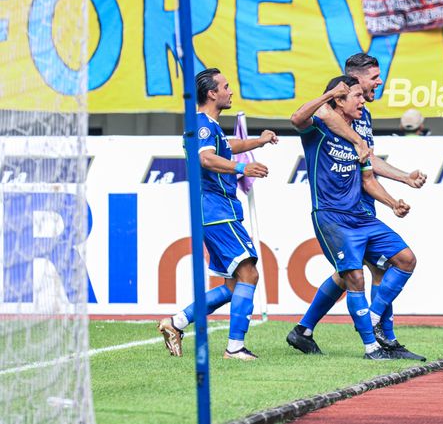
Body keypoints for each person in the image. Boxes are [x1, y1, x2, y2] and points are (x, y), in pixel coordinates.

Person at [287, 54, 427, 361]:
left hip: (361, 202)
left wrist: (403, 180)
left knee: (352, 273)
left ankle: (304, 329)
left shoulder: (363, 115)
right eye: (374, 77)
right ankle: (381, 339)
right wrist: (356, 141)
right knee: (368, 272)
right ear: (355, 79)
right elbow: (313, 117)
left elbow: (367, 161)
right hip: (340, 209)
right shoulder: (328, 110)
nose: (379, 82)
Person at [158, 68, 277, 361]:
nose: (230, 91)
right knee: (248, 273)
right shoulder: (201, 124)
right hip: (216, 210)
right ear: (212, 93)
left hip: (216, 211)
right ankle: (234, 348)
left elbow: (226, 147)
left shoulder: (208, 125)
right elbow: (206, 158)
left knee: (234, 284)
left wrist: (258, 141)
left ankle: (177, 322)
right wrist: (241, 168)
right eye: (226, 86)